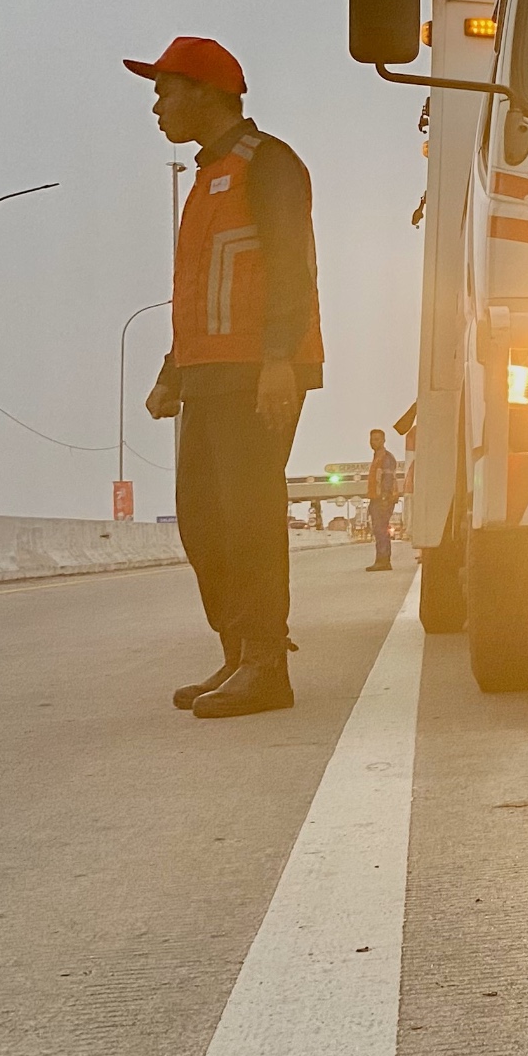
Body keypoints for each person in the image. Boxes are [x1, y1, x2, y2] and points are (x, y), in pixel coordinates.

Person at [129, 36, 324, 717]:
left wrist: (279, 361)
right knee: (204, 523)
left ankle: (267, 665)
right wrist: (170, 373)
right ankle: (239, 652)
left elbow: (290, 271)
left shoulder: (267, 164)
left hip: (258, 371)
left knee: (249, 519)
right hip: (208, 375)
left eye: (164, 92)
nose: (157, 108)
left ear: (206, 93)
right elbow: (196, 292)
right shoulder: (205, 177)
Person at [364, 428, 402, 571]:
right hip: (377, 498)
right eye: (372, 439)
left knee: (380, 530)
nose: (374, 442)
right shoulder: (377, 457)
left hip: (382, 499)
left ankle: (383, 560)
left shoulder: (386, 457)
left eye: (377, 439)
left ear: (384, 440)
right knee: (379, 530)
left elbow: (387, 479)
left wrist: (385, 498)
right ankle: (382, 559)